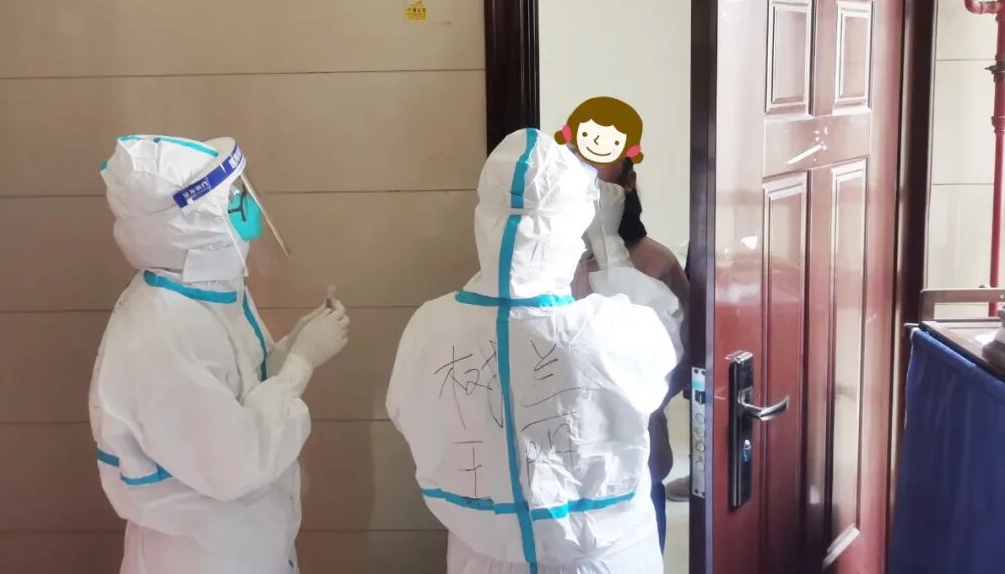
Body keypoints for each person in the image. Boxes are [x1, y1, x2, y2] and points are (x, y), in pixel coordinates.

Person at [387, 129, 676, 574]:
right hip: (600, 562)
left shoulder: (428, 327)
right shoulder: (615, 328)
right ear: (572, 226)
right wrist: (609, 249)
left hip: (481, 559)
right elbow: (664, 355)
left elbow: (406, 415)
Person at [89, 134, 349, 574]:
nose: (247, 206)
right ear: (193, 222)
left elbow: (235, 392)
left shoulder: (203, 293)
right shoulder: (160, 334)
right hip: (201, 556)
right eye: (232, 198)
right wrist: (300, 365)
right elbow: (235, 463)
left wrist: (291, 347)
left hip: (240, 540)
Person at [570, 156, 692, 549]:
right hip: (560, 475)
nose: (585, 179)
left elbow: (675, 366)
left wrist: (609, 250)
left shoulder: (656, 263)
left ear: (627, 182)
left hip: (638, 467)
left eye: (598, 167)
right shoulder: (542, 264)